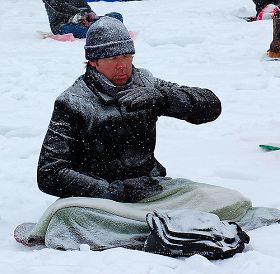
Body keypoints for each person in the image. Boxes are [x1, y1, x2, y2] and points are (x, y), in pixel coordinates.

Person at [37, 16, 222, 203]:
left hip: (150, 187)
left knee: (221, 200)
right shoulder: (73, 102)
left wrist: (165, 98)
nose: (122, 66)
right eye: (112, 58)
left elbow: (212, 106)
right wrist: (110, 190)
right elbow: (49, 172)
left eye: (127, 56)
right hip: (98, 200)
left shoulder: (146, 83)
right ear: (93, 61)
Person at [42, 0, 123, 38]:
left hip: (86, 21)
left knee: (116, 16)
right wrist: (80, 14)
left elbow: (83, 6)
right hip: (63, 24)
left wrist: (90, 14)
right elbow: (58, 6)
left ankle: (100, 29)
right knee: (83, 31)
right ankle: (103, 30)